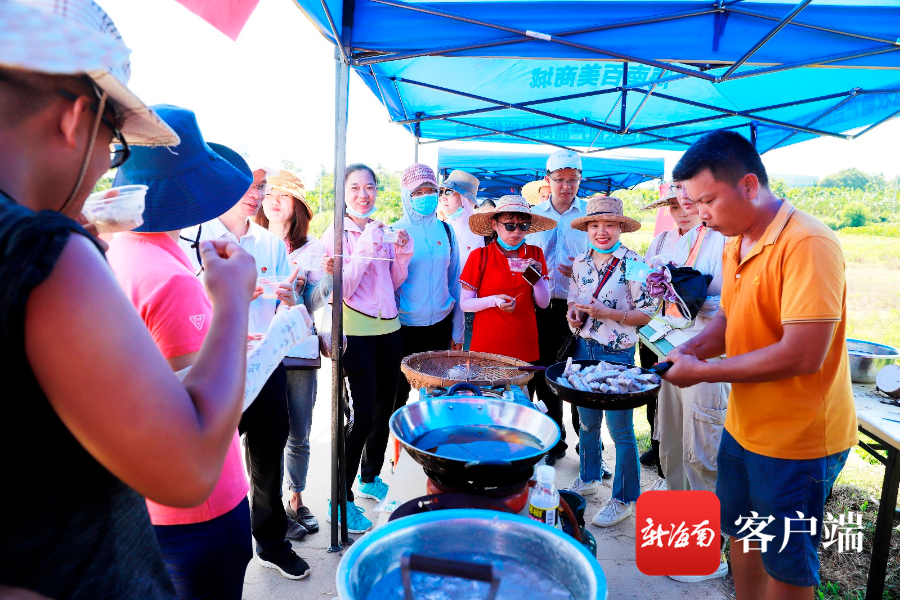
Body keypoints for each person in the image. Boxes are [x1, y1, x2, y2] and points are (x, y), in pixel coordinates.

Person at [0, 1, 256, 596]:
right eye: (114, 145)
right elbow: (189, 466)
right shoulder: (43, 251)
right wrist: (232, 300)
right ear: (77, 118)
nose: (104, 172)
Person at [107, 107, 314, 595]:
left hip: (148, 497)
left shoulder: (118, 251)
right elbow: (202, 422)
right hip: (199, 509)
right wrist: (255, 317)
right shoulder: (169, 276)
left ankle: (272, 538)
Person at [663, 130, 855, 597]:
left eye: (708, 201)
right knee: (743, 536)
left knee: (785, 562)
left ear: (749, 185)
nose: (702, 215)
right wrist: (692, 350)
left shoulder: (807, 242)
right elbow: (730, 318)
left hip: (797, 438)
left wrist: (703, 372)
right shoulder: (738, 241)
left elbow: (802, 353)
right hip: (744, 425)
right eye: (695, 203)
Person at [179, 157, 312, 579]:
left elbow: (283, 303)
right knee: (210, 462)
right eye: (248, 185)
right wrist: (228, 295)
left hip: (265, 363)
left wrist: (289, 299)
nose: (256, 195)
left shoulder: (269, 243)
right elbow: (183, 306)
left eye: (262, 186)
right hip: (215, 366)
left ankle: (271, 543)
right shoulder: (193, 238)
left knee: (268, 457)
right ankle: (202, 545)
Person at [320, 164, 413, 533]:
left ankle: (369, 477)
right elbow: (343, 288)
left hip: (390, 329)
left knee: (383, 410)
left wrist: (401, 253)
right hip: (355, 333)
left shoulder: (381, 228)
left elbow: (393, 282)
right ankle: (339, 498)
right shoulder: (336, 234)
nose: (363, 195)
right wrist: (364, 245)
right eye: (355, 188)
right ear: (343, 193)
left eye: (370, 187)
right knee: (358, 419)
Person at [562, 196, 656, 527]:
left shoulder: (635, 263)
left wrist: (608, 313)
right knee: (587, 422)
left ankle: (625, 498)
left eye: (609, 225)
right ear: (587, 228)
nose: (601, 231)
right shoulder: (580, 262)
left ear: (620, 228)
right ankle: (588, 477)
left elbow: (647, 313)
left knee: (621, 430)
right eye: (595, 225)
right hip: (583, 350)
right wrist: (573, 315)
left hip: (617, 354)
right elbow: (573, 299)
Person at [255, 169, 326, 536]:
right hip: (259, 350)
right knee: (265, 435)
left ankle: (295, 499)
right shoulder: (252, 241)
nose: (274, 201)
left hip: (297, 348)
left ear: (297, 204)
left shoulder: (313, 249)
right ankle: (270, 511)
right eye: (268, 194)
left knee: (299, 430)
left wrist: (327, 280)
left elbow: (313, 303)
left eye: (283, 195)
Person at [638, 184, 701, 474]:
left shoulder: (710, 239)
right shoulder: (661, 240)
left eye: (686, 205)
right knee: (655, 387)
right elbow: (642, 275)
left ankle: (684, 456)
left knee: (684, 394)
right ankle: (658, 443)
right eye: (674, 207)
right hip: (657, 328)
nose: (681, 213)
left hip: (690, 333)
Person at [392, 164, 464, 417]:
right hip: (404, 328)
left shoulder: (446, 230)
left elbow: (455, 281)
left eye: (430, 190)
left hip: (440, 328)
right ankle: (397, 441)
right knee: (397, 397)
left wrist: (457, 329)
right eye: (418, 192)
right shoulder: (395, 232)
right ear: (406, 195)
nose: (425, 196)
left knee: (437, 397)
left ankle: (431, 441)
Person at [460, 195, 553, 365]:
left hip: (524, 343)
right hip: (487, 346)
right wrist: (494, 301)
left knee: (523, 383)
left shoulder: (535, 254)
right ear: (495, 225)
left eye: (523, 226)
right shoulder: (480, 256)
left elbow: (544, 303)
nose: (517, 232)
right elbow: (465, 304)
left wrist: (536, 277)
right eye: (510, 226)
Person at [439, 170, 484, 351]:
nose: (443, 197)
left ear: (465, 198)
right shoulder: (441, 229)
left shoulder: (483, 234)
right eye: (441, 192)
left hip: (471, 315)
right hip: (442, 313)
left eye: (449, 191)